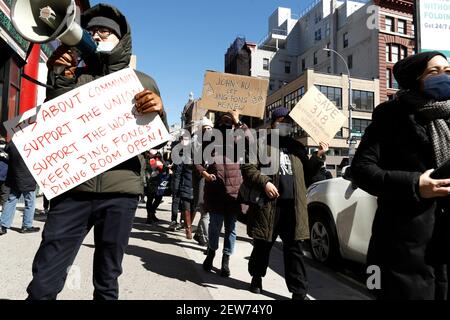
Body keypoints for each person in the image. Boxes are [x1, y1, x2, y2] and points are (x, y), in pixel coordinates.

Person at [26, 3, 167, 300]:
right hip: (72, 190)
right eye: (91, 31)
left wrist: (159, 110)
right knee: (44, 278)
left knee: (107, 278)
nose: (97, 35)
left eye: (105, 31)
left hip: (120, 193)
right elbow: (53, 125)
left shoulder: (143, 81)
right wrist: (59, 78)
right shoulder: (71, 74)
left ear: (121, 39)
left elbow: (156, 142)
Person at [350, 51, 450, 300]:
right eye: (434, 72)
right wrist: (415, 184)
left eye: (448, 71)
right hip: (404, 247)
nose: (444, 77)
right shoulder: (390, 116)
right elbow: (362, 170)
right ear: (416, 78)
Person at [241, 107, 328, 300]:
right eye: (281, 121)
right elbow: (248, 168)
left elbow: (309, 174)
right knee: (263, 245)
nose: (285, 125)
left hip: (293, 208)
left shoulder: (298, 148)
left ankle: (299, 291)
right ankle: (256, 277)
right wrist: (265, 182)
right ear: (273, 123)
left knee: (295, 250)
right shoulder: (260, 145)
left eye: (288, 122)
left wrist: (318, 156)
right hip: (269, 206)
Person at [201, 111, 249, 278]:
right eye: (225, 118)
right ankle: (211, 254)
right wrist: (204, 173)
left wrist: (238, 122)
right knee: (214, 228)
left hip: (234, 193)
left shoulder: (239, 136)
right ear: (220, 119)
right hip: (216, 192)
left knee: (231, 230)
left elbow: (252, 142)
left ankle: (225, 260)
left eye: (230, 119)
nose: (227, 121)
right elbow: (197, 160)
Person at [0, 142, 40, 236]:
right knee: (30, 202)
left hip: (15, 177)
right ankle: (27, 226)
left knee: (11, 200)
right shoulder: (32, 143)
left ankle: (3, 225)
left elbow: (6, 149)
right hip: (28, 178)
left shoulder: (12, 144)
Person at [192, 117, 214, 247]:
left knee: (207, 211)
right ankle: (207, 241)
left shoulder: (214, 143)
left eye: (211, 128)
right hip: (201, 180)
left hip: (211, 182)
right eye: (206, 129)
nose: (209, 131)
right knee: (205, 211)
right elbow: (196, 164)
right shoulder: (197, 143)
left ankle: (199, 234)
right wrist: (203, 173)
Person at [170, 136, 194, 239]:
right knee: (182, 205)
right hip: (183, 185)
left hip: (193, 186)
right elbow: (178, 174)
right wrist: (175, 187)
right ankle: (181, 224)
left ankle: (184, 222)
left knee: (191, 207)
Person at [0, 136, 9, 209]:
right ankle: (4, 208)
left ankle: (3, 208)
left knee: (4, 193)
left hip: (5, 175)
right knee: (4, 193)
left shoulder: (8, 151)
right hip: (5, 175)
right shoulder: (8, 149)